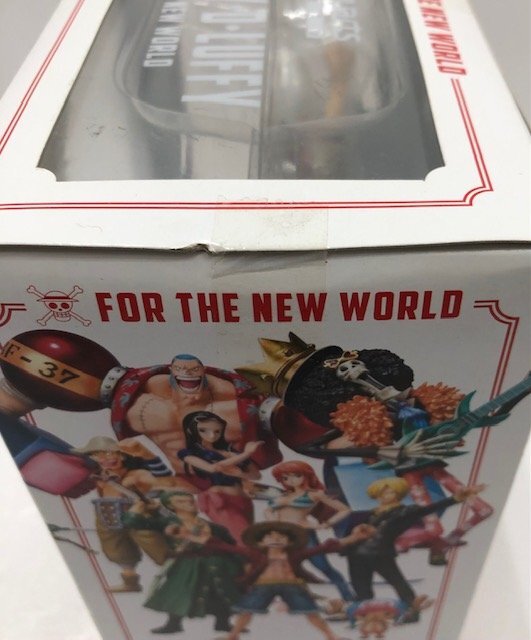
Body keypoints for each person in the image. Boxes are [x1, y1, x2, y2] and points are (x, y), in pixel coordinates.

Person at [341, 477, 485, 621]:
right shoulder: (370, 513)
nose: (384, 496)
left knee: (398, 583)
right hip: (356, 554)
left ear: (398, 494)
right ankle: (363, 614)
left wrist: (456, 498)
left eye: (389, 492)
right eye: (381, 493)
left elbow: (429, 509)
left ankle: (411, 611)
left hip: (380, 553)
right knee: (361, 588)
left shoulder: (406, 511)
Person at [71, 436, 197, 592]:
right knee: (116, 548)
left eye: (109, 453)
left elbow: (166, 480)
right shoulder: (100, 475)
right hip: (108, 514)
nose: (105, 459)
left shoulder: (137, 474)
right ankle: (130, 582)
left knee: (155, 545)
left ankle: (184, 578)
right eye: (97, 455)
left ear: (122, 455)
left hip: (138, 515)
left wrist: (149, 458)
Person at [124, 491, 244, 635]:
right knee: (179, 592)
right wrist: (139, 507)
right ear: (170, 506)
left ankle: (223, 623)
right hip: (187, 564)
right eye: (181, 501)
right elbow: (133, 522)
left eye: (190, 500)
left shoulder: (215, 527)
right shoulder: (166, 522)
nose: (189, 504)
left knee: (222, 593)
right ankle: (173, 624)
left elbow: (230, 545)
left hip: (217, 564)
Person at [225, 521, 357, 640]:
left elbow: (322, 548)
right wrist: (211, 542)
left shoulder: (295, 555)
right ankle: (233, 635)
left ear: (289, 542)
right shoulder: (255, 555)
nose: (276, 539)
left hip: (291, 585)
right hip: (263, 586)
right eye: (270, 536)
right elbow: (230, 548)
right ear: (261, 542)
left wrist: (354, 537)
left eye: (281, 536)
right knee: (246, 610)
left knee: (311, 612)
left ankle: (330, 636)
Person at [264, 460, 354, 601]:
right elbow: (268, 511)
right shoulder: (283, 495)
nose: (291, 480)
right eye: (285, 477)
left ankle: (347, 596)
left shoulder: (314, 494)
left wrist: (325, 524)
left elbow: (344, 509)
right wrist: (274, 522)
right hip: (282, 536)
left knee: (323, 567)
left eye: (296, 475)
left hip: (303, 534)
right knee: (284, 567)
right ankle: (297, 599)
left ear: (306, 475)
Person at [178, 411, 262, 541]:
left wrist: (240, 473)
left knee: (250, 537)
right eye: (203, 430)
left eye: (217, 431)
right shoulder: (189, 453)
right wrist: (245, 454)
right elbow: (213, 468)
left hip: (243, 499)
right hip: (220, 501)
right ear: (191, 430)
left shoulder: (229, 451)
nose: (212, 435)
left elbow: (256, 475)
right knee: (243, 538)